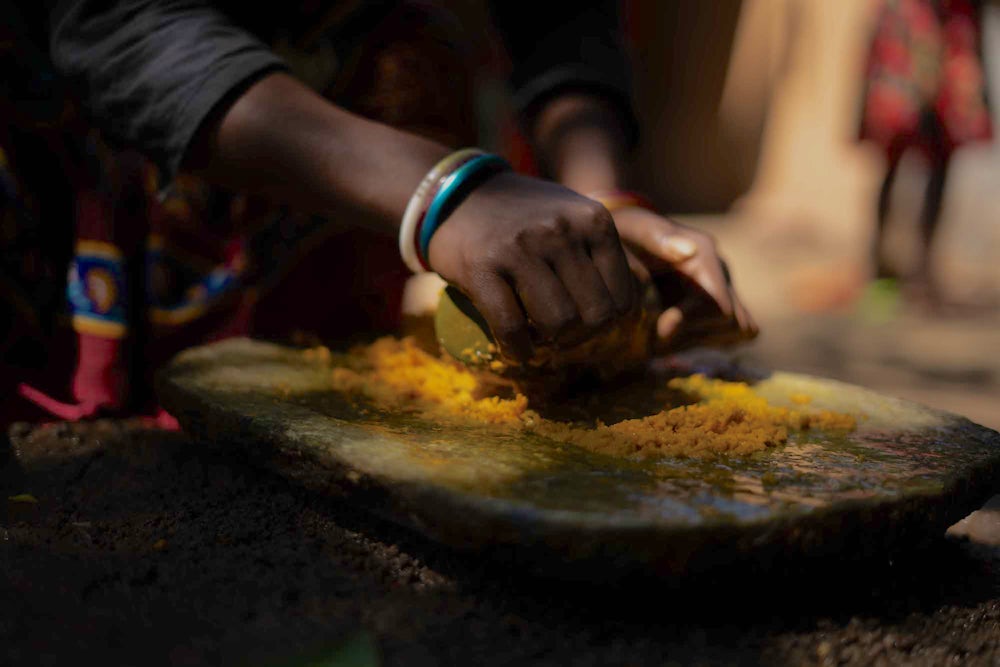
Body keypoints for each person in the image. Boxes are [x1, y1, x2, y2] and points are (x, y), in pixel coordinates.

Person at [7, 0, 757, 420]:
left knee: (299, 419)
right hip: (128, 169)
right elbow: (119, 22)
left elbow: (558, 16)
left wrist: (597, 197)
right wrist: (448, 195)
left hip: (360, 175)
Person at [859, 0, 992, 309]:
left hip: (952, 32)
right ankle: (880, 269)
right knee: (894, 146)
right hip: (910, 25)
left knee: (941, 151)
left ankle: (923, 271)